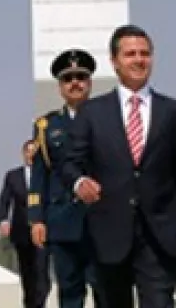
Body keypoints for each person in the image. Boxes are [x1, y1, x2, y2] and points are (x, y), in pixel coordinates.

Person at [62, 24, 176, 308]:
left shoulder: (175, 113)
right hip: (109, 234)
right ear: (114, 61)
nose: (139, 60)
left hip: (160, 235)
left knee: (160, 302)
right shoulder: (92, 113)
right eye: (130, 54)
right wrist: (79, 183)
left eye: (145, 53)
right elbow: (69, 162)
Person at [28, 49, 104, 308]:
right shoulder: (46, 126)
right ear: (60, 86)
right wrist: (36, 218)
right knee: (69, 293)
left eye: (81, 77)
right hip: (62, 220)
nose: (75, 83)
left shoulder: (107, 120)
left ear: (90, 83)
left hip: (102, 220)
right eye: (68, 78)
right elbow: (39, 175)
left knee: (107, 290)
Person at [0, 140, 50, 308]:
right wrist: (3, 219)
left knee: (41, 273)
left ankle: (40, 303)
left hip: (42, 231)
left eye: (34, 151)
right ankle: (30, 303)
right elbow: (5, 199)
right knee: (27, 274)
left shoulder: (46, 174)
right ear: (23, 154)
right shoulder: (13, 176)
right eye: (28, 151)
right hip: (21, 231)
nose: (31, 155)